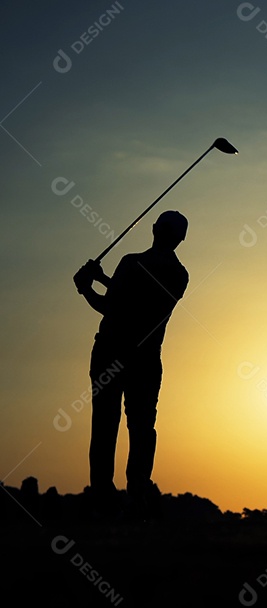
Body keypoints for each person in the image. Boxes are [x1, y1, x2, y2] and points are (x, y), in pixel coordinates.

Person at [73, 210, 190, 520]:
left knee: (104, 425)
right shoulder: (180, 275)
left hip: (110, 353)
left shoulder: (130, 263)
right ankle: (137, 497)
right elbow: (138, 298)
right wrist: (102, 279)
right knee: (141, 429)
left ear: (153, 229)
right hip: (146, 359)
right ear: (181, 239)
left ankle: (103, 499)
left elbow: (111, 306)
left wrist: (86, 287)